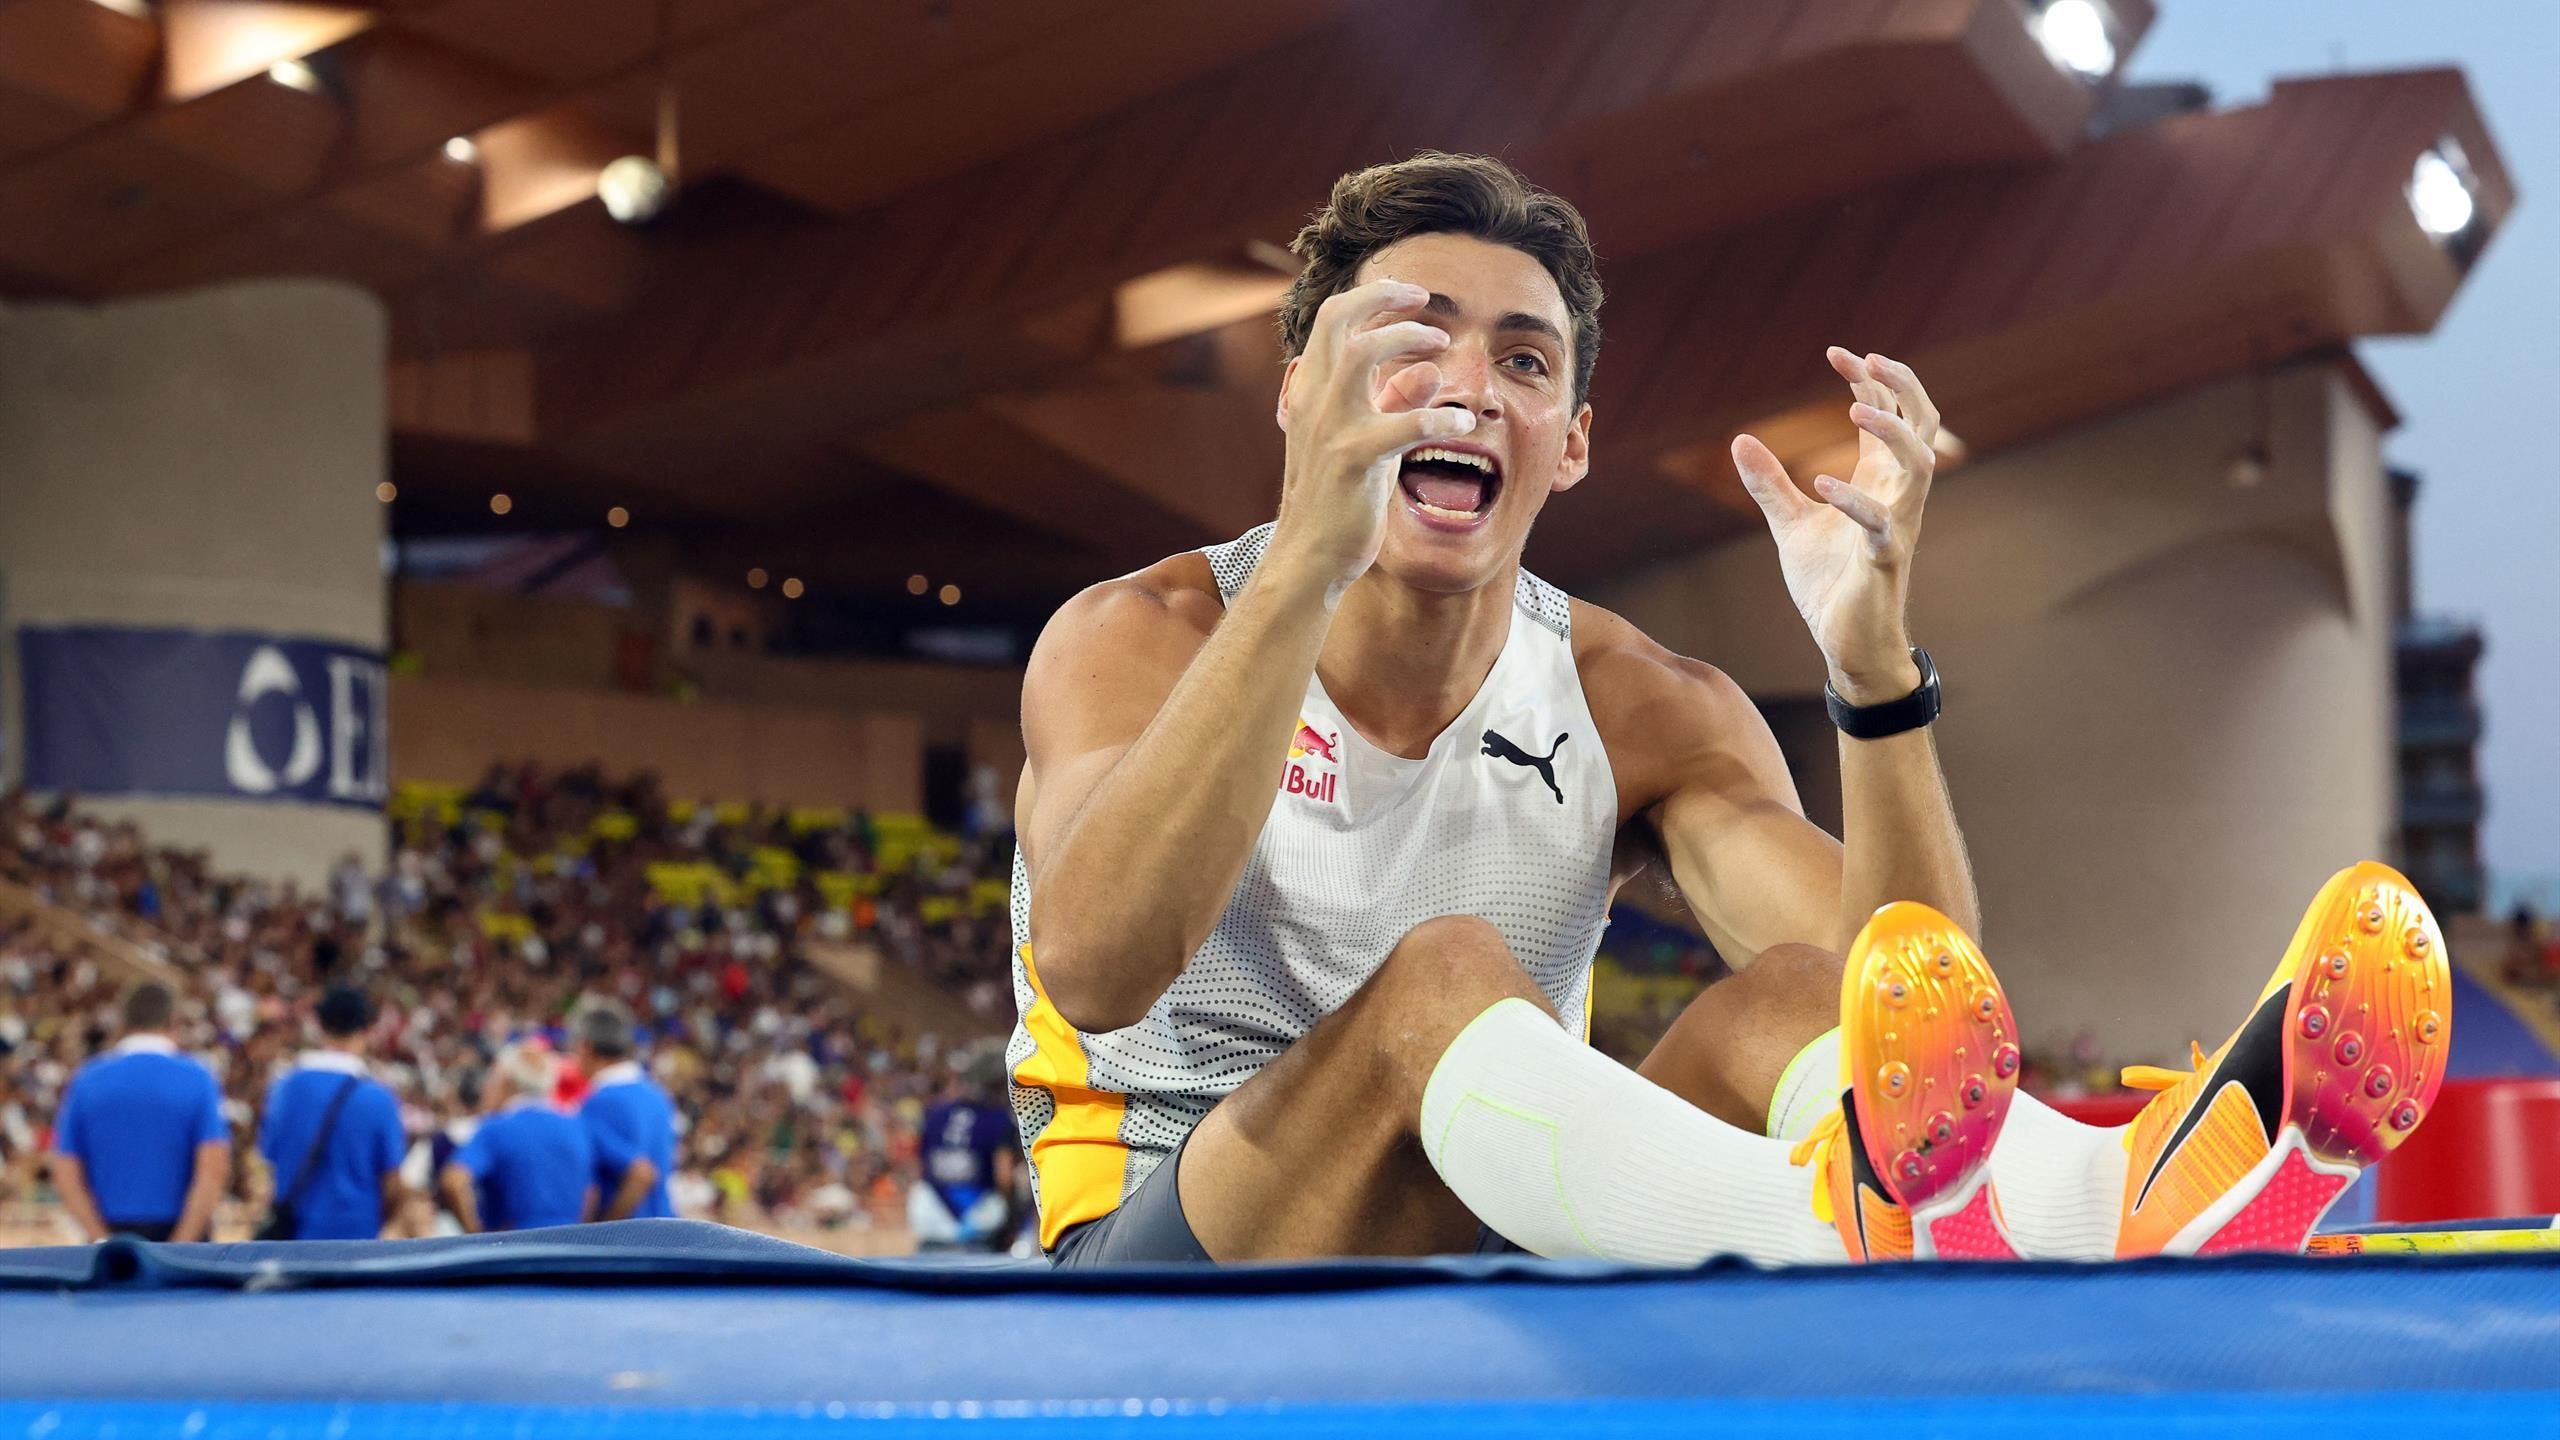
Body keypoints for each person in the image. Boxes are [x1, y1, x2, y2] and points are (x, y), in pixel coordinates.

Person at [1006, 151, 2449, 1268]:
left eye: (1522, 360)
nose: (1463, 390)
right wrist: (1308, 566)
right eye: (1410, 339)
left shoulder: (1636, 701)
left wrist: (1873, 678)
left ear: (1568, 443)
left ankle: (2112, 1190)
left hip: (1496, 1207)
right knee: (1443, 977)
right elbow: (1095, 971)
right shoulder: (1141, 633)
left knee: (1800, 994)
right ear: (1302, 389)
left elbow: (1914, 1007)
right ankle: (1881, 1229)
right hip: (1165, 1250)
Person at [47, 982, 230, 1243]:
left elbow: (65, 1167)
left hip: (110, 1233)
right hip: (179, 1233)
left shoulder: (88, 1079)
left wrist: (100, 1238)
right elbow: (213, 1168)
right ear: (173, 1021)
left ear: (123, 1021)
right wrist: (181, 1245)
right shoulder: (197, 1078)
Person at [254, 985, 408, 1240]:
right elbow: (393, 1182)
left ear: (320, 1025)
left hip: (294, 1236)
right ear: (367, 1030)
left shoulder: (285, 1087)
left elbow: (270, 1158)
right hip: (356, 1239)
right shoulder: (379, 1097)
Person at [440, 1043, 595, 1232]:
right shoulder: (576, 1126)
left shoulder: (496, 1128)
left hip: (514, 1248)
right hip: (569, 1246)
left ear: (507, 1082)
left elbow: (454, 1180)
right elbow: (591, 1192)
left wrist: (476, 1236)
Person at [571, 1001, 678, 1221]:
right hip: (665, 1233)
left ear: (586, 1046)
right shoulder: (658, 1096)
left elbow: (641, 1175)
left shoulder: (599, 1102)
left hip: (628, 1241)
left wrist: (602, 1232)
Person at [910, 1055, 1020, 1253]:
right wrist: (1012, 1222)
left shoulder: (934, 1114)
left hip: (932, 1217)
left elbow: (922, 1167)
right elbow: (1004, 1177)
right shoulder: (998, 1117)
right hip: (980, 1223)